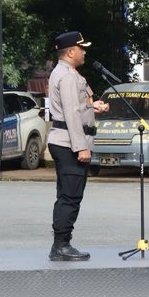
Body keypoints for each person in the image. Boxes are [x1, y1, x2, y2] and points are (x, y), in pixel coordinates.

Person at [47, 31, 109, 261]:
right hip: (69, 143)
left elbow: (75, 108)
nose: (84, 52)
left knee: (68, 195)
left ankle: (61, 243)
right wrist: (81, 146)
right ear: (71, 51)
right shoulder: (68, 76)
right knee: (70, 196)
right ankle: (61, 245)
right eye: (82, 48)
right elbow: (72, 114)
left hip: (65, 140)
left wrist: (94, 107)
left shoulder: (66, 73)